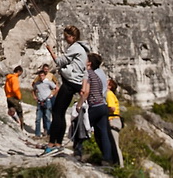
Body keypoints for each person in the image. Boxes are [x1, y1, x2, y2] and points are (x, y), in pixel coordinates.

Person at [41, 25, 87, 156]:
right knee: (60, 113)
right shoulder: (81, 48)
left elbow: (59, 61)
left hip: (70, 83)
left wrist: (50, 51)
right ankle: (58, 143)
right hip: (74, 83)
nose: (65, 39)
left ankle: (52, 144)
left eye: (67, 37)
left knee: (57, 112)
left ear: (72, 37)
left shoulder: (75, 48)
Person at [82, 52, 113, 165]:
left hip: (94, 106)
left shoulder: (89, 73)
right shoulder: (101, 74)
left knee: (81, 126)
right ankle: (107, 158)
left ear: (89, 62)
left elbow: (86, 91)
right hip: (103, 104)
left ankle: (78, 152)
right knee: (103, 133)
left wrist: (80, 104)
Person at [31, 70, 56, 138]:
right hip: (40, 101)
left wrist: (52, 95)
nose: (41, 77)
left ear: (45, 76)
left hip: (47, 101)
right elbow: (33, 90)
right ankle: (37, 134)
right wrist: (34, 97)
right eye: (40, 76)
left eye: (42, 75)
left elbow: (56, 88)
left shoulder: (48, 82)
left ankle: (49, 134)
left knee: (47, 118)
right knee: (38, 119)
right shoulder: (37, 83)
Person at [107, 78, 124, 167]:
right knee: (113, 143)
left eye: (106, 82)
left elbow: (112, 108)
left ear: (109, 86)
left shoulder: (109, 94)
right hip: (115, 120)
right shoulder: (111, 94)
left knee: (114, 144)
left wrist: (102, 110)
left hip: (112, 120)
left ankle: (119, 166)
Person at [4, 66, 25, 130]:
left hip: (8, 97)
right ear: (19, 71)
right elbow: (15, 89)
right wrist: (19, 97)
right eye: (21, 73)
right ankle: (21, 128)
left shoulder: (8, 78)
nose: (20, 74)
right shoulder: (15, 78)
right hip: (14, 97)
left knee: (11, 111)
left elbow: (5, 87)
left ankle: (12, 125)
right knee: (19, 112)